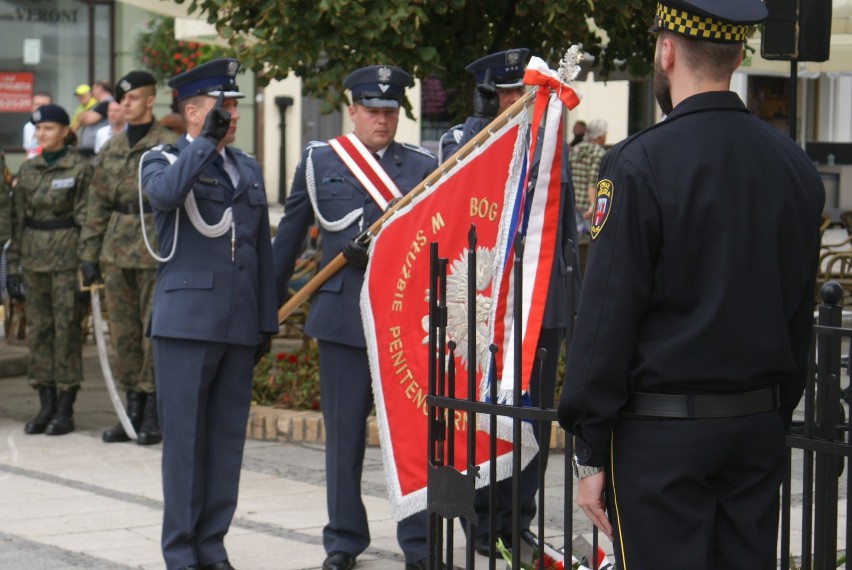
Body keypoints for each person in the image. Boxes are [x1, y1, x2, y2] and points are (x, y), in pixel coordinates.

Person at [557, 1, 825, 567]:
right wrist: (769, 415)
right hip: (755, 428)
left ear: (666, 50)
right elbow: (800, 314)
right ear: (736, 55)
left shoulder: (636, 164)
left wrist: (590, 450)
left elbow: (607, 317)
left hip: (661, 442)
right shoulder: (794, 167)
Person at [272, 65, 437, 570]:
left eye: (389, 111)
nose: (381, 120)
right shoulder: (321, 162)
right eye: (372, 110)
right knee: (343, 439)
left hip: (403, 322)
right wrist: (264, 307)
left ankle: (420, 545)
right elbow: (289, 238)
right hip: (343, 318)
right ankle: (343, 540)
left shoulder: (422, 165)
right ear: (353, 111)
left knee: (410, 438)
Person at [438, 48, 579, 556]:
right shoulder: (467, 140)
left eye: (524, 92)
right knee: (483, 416)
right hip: (488, 305)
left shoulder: (551, 142)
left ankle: (517, 520)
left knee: (533, 422)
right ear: (488, 96)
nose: (517, 101)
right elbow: (452, 201)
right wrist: (482, 121)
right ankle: (482, 522)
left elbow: (568, 231)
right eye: (505, 93)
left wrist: (574, 300)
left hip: (544, 306)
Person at [139, 58, 278, 570]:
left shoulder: (247, 167)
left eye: (236, 105)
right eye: (222, 106)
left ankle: (212, 547)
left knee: (223, 446)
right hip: (186, 324)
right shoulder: (160, 159)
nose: (232, 114)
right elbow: (165, 196)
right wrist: (201, 146)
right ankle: (181, 553)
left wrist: (266, 319)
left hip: (237, 324)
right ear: (192, 112)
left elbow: (260, 249)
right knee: (185, 447)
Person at [79, 70, 178, 446]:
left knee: (153, 332)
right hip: (116, 252)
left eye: (133, 98)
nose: (124, 105)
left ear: (150, 100)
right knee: (122, 334)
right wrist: (89, 254)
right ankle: (130, 410)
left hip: (155, 250)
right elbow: (97, 203)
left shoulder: (168, 145)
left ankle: (153, 411)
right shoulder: (112, 147)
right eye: (121, 99)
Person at [6, 104, 92, 436]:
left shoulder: (80, 168)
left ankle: (65, 408)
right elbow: (17, 220)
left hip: (67, 262)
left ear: (64, 131)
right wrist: (14, 266)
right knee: (39, 332)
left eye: (50, 129)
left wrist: (87, 264)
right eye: (39, 129)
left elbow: (87, 218)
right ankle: (45, 405)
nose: (43, 134)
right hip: (35, 261)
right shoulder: (28, 170)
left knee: (66, 332)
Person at [568, 118, 607, 234]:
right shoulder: (599, 153)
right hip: (588, 206)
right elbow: (593, 180)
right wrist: (593, 204)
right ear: (600, 136)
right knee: (591, 239)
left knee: (575, 239)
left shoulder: (575, 149)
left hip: (573, 201)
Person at [76, 80, 114, 157]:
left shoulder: (107, 103)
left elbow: (89, 120)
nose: (92, 92)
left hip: (95, 147)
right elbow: (81, 117)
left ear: (100, 88)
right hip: (90, 147)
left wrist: (83, 115)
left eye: (94, 88)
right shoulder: (98, 104)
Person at [23, 91, 53, 159]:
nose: (40, 108)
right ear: (32, 107)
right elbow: (28, 151)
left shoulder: (58, 126)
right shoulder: (28, 127)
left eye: (44, 105)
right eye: (37, 104)